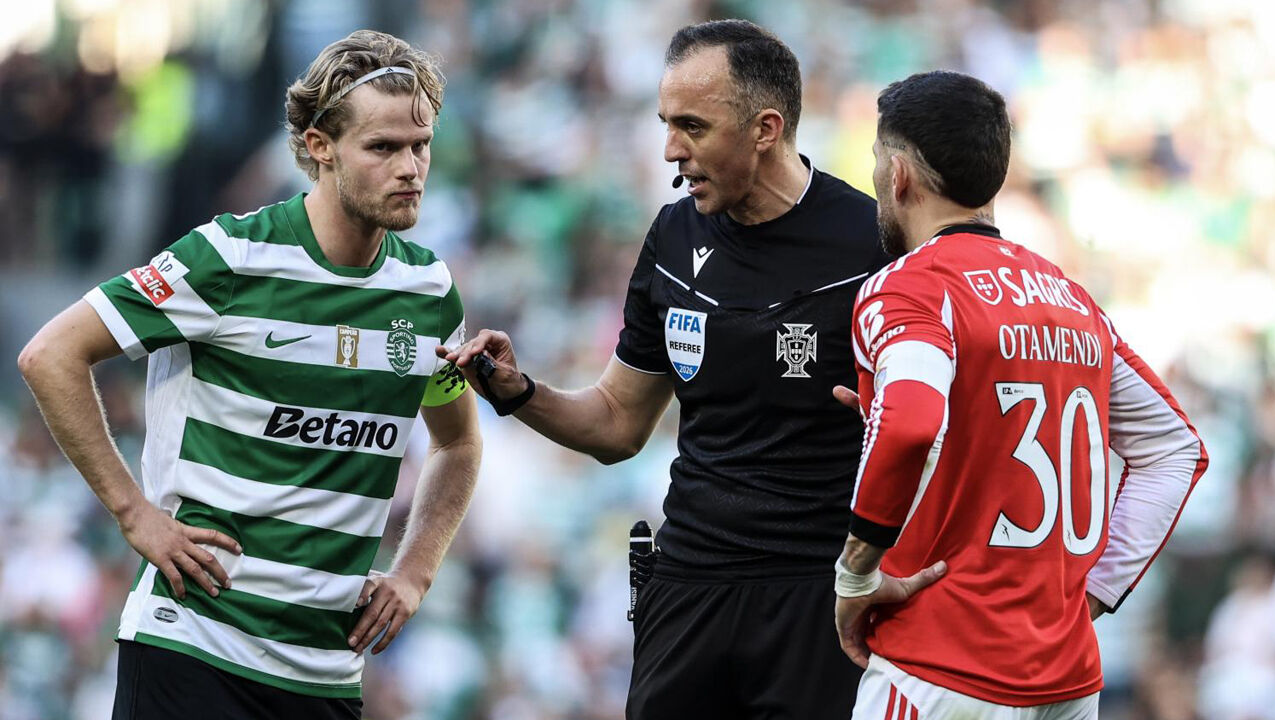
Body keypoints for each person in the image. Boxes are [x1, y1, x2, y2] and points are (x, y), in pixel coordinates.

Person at [17, 30, 482, 719]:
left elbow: (458, 443)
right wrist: (133, 514)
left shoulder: (428, 291)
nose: (411, 167)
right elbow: (50, 354)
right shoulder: (228, 258)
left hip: (324, 670)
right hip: (193, 647)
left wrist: (415, 572)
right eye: (383, 148)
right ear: (319, 146)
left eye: (420, 145)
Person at [441, 19, 889, 720]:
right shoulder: (674, 236)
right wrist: (518, 393)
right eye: (665, 123)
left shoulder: (873, 246)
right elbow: (619, 423)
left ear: (766, 128)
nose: (671, 149)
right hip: (689, 584)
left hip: (815, 591)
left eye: (693, 126)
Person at [830, 70, 1209, 720]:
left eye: (874, 164)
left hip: (939, 665)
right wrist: (1088, 596)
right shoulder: (1072, 300)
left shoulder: (909, 287)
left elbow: (915, 420)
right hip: (1066, 681)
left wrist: (856, 576)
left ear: (898, 174)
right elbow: (1174, 449)